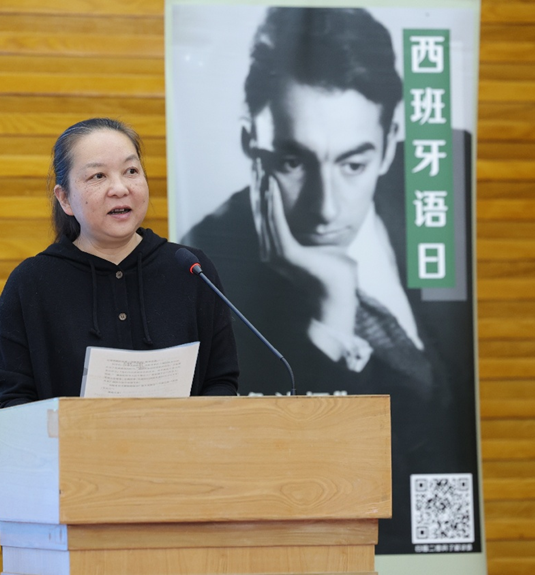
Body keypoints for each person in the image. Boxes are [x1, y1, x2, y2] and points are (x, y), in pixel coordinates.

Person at [181, 8, 479, 554]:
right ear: (251, 141)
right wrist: (332, 318)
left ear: (391, 140)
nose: (326, 209)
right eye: (293, 163)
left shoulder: (443, 177)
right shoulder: (206, 267)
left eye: (353, 165)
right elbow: (283, 475)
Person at [0, 118, 239, 410]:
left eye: (131, 171)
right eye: (98, 176)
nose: (119, 188)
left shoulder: (190, 270)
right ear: (65, 199)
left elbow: (221, 382)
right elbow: (11, 403)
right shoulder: (31, 283)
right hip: (68, 442)